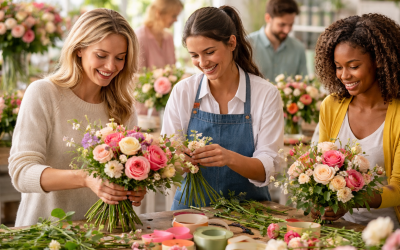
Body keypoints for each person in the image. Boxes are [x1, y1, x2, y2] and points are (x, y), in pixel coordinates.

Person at [8, 9, 146, 227]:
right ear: (79, 49)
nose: (111, 66)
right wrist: (85, 178)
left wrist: (136, 184)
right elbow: (22, 173)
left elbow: (124, 172)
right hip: (45, 232)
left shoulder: (123, 107)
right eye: (101, 55)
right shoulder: (44, 94)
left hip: (106, 234)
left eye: (120, 58)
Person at [161, 5, 284, 210]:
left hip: (249, 212)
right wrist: (177, 160)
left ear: (231, 43)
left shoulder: (265, 94)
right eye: (194, 55)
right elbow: (168, 157)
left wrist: (229, 158)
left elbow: (268, 169)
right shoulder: (183, 91)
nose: (202, 63)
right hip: (191, 212)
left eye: (209, 52)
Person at [310, 13, 400, 227]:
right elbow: (320, 165)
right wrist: (318, 197)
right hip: (338, 229)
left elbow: (398, 188)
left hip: (386, 234)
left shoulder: (397, 114)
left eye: (353, 66)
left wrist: (350, 200)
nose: (343, 75)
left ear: (379, 61)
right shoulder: (331, 106)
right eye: (338, 66)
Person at [247, 0, 307, 81]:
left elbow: (304, 84)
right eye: (282, 25)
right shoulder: (247, 44)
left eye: (291, 24)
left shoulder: (298, 48)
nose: (287, 30)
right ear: (268, 18)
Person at [135, 0, 183, 70]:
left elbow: (173, 69)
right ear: (159, 13)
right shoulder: (139, 37)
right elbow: (138, 75)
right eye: (174, 16)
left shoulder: (169, 37)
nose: (176, 20)